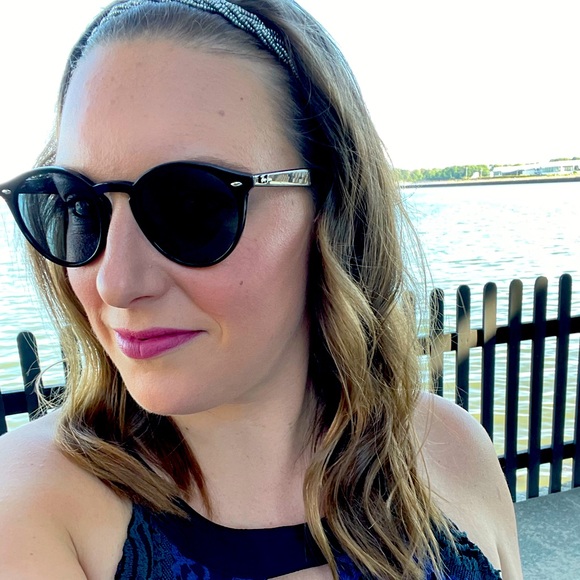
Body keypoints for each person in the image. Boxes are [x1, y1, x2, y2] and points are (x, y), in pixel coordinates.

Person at [0, 1, 522, 578]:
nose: (115, 283)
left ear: (330, 207)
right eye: (79, 206)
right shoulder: (28, 513)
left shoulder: (452, 451)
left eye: (192, 206)